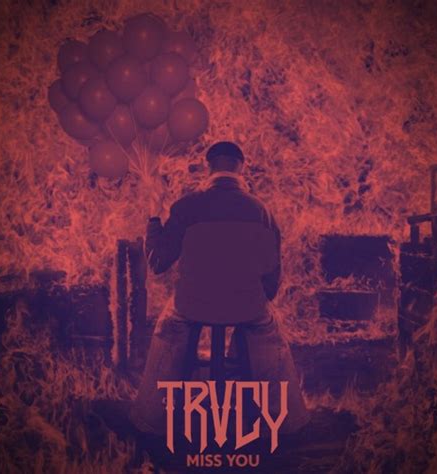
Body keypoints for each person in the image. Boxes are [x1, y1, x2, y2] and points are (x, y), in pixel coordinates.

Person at [128, 141, 309, 446]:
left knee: (169, 327)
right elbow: (272, 282)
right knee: (269, 328)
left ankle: (152, 420)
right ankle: (284, 423)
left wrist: (153, 219)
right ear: (242, 168)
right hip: (247, 307)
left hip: (192, 306)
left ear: (208, 167)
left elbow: (157, 263)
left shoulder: (186, 207)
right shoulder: (263, 212)